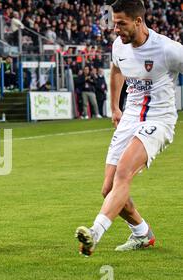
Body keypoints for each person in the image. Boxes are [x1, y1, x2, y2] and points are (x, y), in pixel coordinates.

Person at [75, 0, 183, 256]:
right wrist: (114, 107)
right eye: (114, 23)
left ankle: (94, 233)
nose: (116, 29)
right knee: (108, 189)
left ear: (138, 21)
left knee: (123, 172)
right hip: (130, 118)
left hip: (158, 119)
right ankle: (142, 234)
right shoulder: (118, 46)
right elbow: (115, 71)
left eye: (121, 24)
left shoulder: (168, 49)